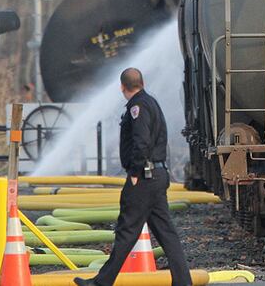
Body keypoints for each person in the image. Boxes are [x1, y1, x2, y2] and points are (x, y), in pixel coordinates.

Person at [74, 68, 191, 286]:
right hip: (156, 175)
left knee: (126, 230)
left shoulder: (139, 106)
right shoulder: (150, 102)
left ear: (122, 87)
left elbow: (141, 141)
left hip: (145, 177)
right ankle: (183, 282)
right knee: (166, 232)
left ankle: (101, 283)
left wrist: (136, 172)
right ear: (142, 82)